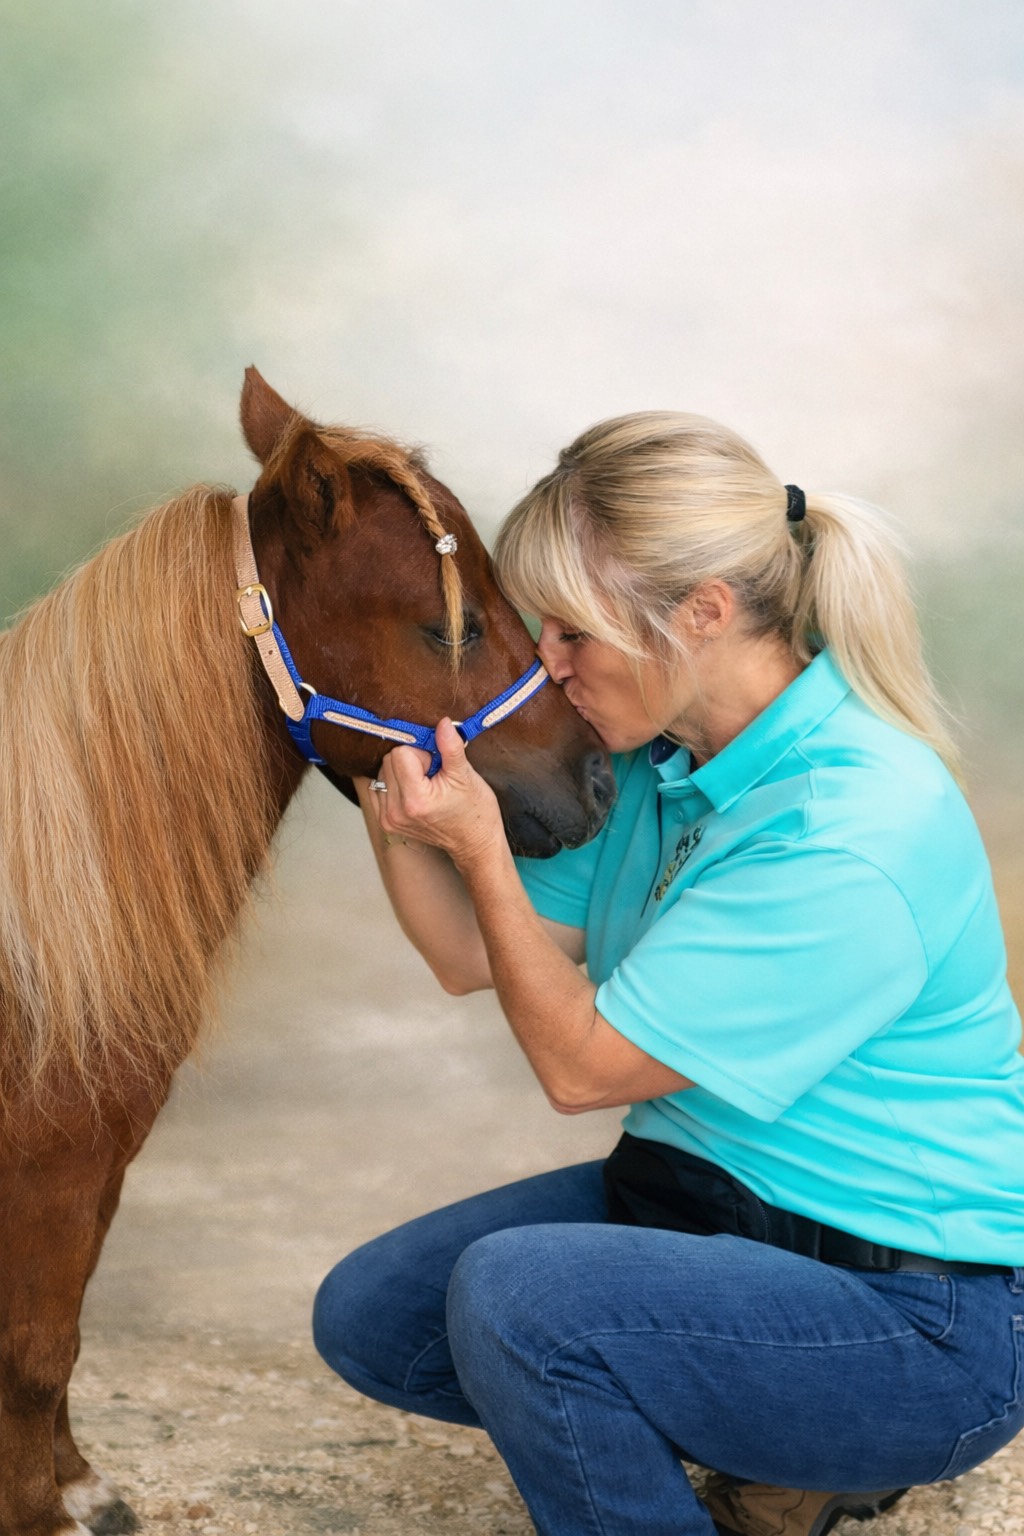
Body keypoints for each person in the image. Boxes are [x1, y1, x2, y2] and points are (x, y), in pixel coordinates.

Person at [312, 412, 1024, 1536]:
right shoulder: (661, 763)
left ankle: (828, 1435)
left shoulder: (849, 823)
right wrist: (371, 752)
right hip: (707, 1217)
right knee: (375, 1318)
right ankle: (780, 1443)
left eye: (571, 630)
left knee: (520, 1303)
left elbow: (584, 1070)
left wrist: (483, 849)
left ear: (703, 612)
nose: (547, 662)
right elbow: (467, 958)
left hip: (911, 1313)